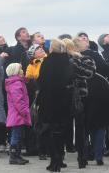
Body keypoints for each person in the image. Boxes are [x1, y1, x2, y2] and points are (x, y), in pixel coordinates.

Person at [37, 39, 71, 172]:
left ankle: (54, 159)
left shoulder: (48, 61)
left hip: (49, 101)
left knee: (48, 130)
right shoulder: (66, 61)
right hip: (64, 101)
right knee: (61, 130)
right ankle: (60, 159)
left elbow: (41, 81)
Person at [65, 39, 89, 168]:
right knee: (80, 129)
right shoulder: (76, 60)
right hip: (78, 98)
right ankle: (82, 158)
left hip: (69, 98)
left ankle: (64, 156)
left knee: (67, 127)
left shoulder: (66, 61)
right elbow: (88, 74)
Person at [5, 63, 31, 165]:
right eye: (20, 69)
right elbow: (18, 101)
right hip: (18, 115)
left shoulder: (18, 82)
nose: (22, 70)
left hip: (19, 114)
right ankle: (14, 156)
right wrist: (25, 111)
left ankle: (17, 154)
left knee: (19, 135)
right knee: (16, 135)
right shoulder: (16, 84)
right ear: (15, 71)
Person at [25, 44, 48, 160]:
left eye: (41, 48)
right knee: (39, 123)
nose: (41, 49)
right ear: (33, 54)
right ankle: (41, 149)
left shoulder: (49, 60)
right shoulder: (32, 65)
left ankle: (49, 149)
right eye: (37, 49)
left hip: (49, 94)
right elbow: (30, 76)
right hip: (38, 96)